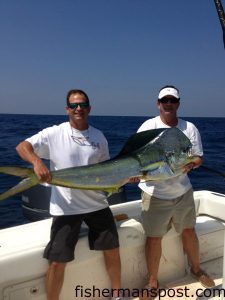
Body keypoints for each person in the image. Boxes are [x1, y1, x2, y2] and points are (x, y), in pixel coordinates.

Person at [16, 89, 123, 300]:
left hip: (97, 204)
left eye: (82, 105)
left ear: (89, 109)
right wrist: (37, 162)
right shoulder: (54, 133)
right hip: (66, 208)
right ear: (67, 109)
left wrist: (127, 177)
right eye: (74, 105)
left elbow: (107, 171)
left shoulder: (99, 136)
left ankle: (118, 295)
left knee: (112, 249)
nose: (78, 109)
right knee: (57, 261)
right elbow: (23, 146)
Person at [137, 85, 215, 299]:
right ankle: (152, 281)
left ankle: (196, 269)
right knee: (153, 238)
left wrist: (192, 165)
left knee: (189, 231)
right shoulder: (147, 126)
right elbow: (136, 159)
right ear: (158, 103)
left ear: (178, 103)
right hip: (154, 193)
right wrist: (135, 174)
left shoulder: (189, 128)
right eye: (165, 101)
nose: (168, 104)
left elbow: (198, 157)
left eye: (172, 100)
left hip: (183, 192)